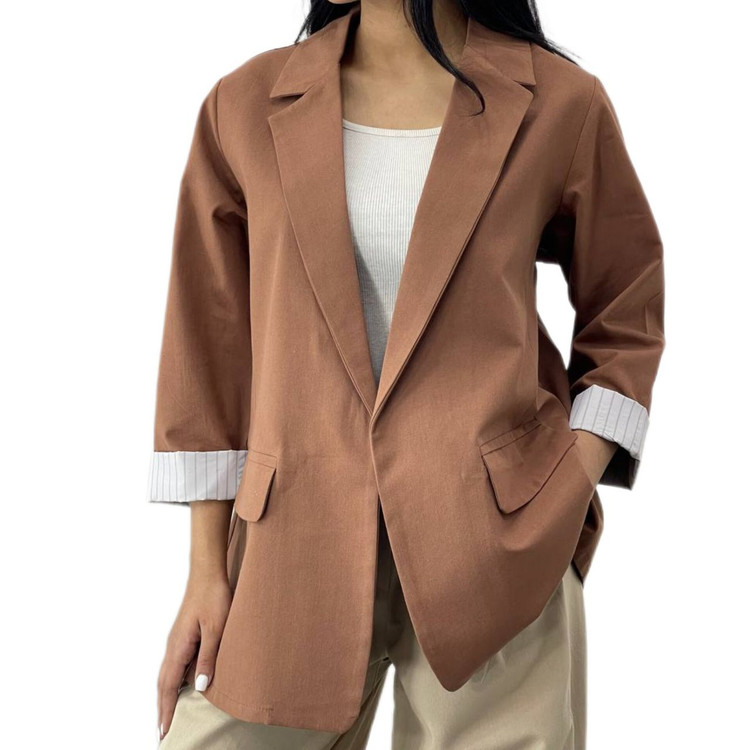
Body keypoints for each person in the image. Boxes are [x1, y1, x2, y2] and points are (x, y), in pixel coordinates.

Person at [148, 1, 665, 747]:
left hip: (498, 555)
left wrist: (571, 474)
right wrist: (205, 571)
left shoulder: (560, 103)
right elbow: (207, 346)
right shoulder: (245, 106)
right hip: (289, 547)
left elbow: (627, 302)